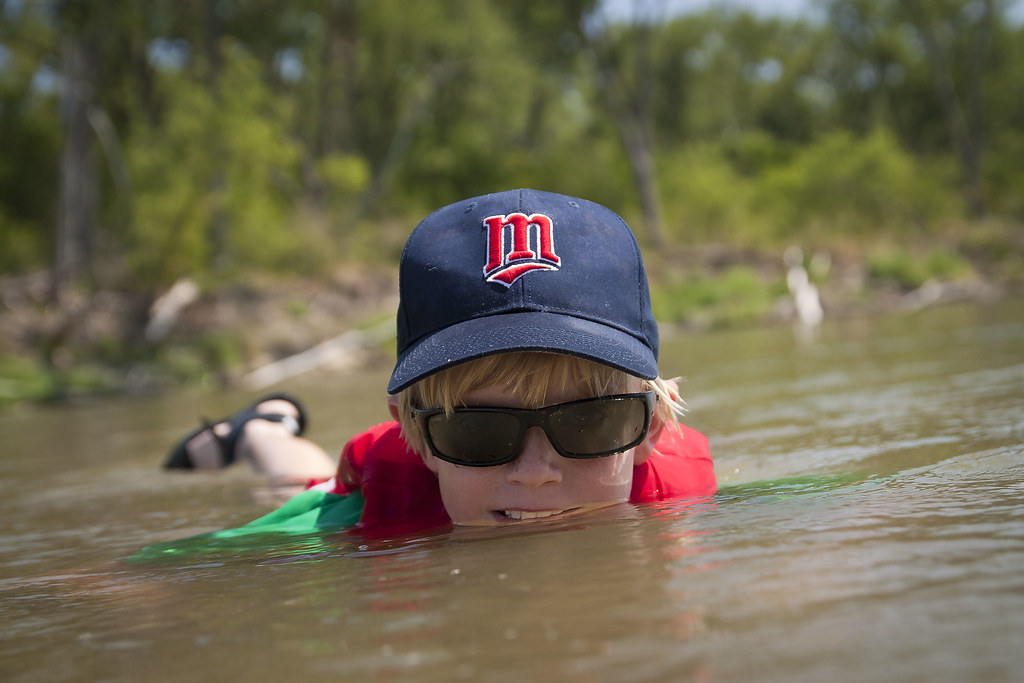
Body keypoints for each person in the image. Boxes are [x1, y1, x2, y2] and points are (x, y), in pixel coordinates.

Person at [163, 188, 716, 537]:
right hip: (353, 489)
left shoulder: (678, 497)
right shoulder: (377, 510)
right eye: (475, 431)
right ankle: (262, 426)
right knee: (291, 478)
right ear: (418, 436)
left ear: (653, 426)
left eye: (591, 420)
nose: (534, 473)